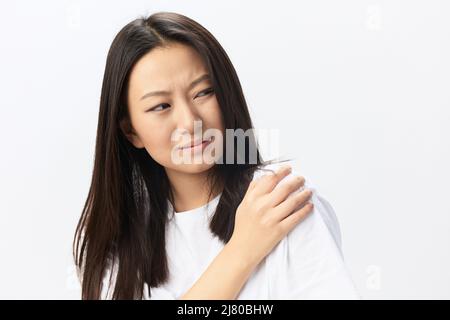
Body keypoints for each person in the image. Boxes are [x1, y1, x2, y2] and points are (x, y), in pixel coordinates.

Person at [73, 11, 360, 300]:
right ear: (130, 131)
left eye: (203, 92)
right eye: (161, 106)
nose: (189, 121)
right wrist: (241, 253)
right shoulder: (117, 237)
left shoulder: (280, 200)